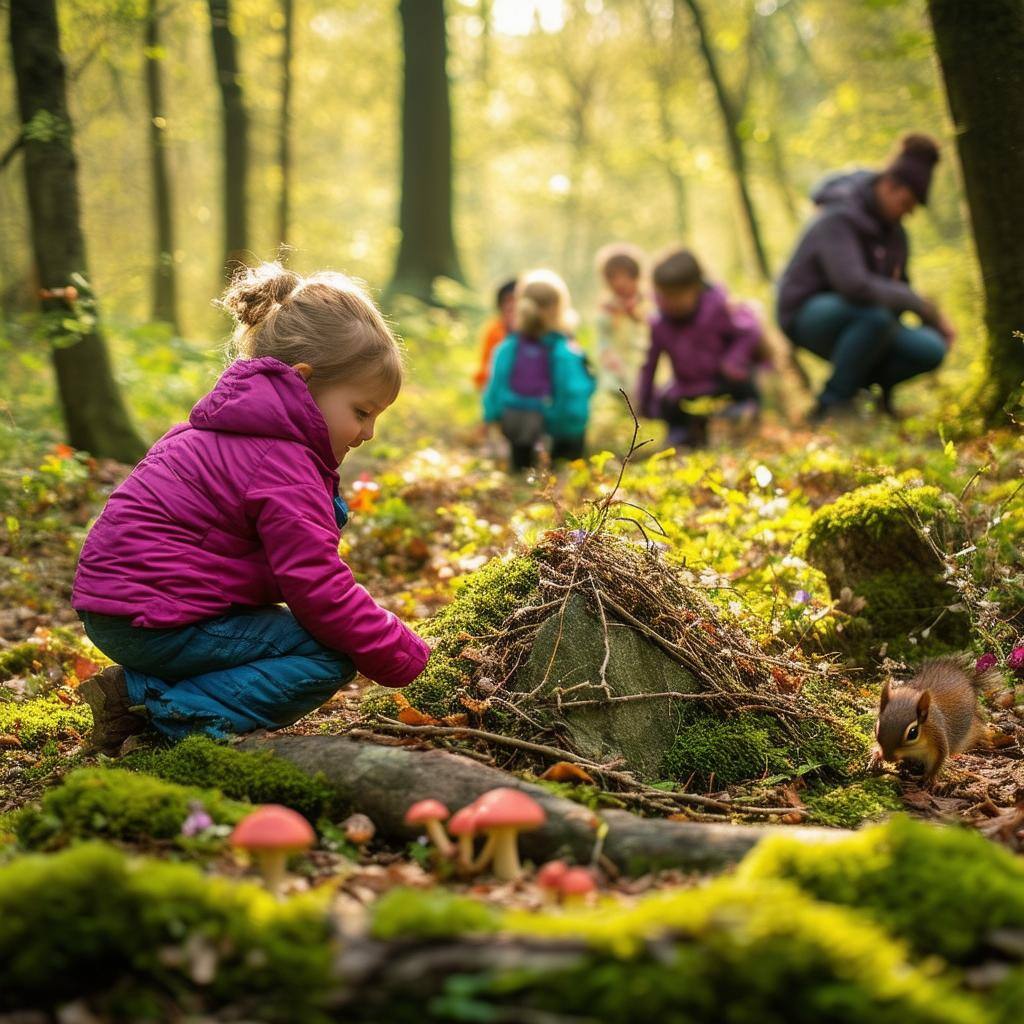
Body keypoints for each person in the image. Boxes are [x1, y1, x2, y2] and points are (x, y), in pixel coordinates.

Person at [72, 262, 431, 754]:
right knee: (327, 655)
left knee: (285, 631)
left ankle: (129, 692)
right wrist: (400, 653)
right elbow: (317, 587)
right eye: (361, 412)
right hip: (156, 615)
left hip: (121, 610)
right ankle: (178, 713)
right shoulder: (280, 460)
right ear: (303, 383)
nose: (367, 434)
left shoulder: (225, 432)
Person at [776, 132, 952, 421]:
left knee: (930, 349)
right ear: (889, 185)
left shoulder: (896, 235)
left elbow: (897, 293)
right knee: (875, 318)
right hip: (806, 314)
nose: (907, 214)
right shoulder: (837, 217)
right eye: (905, 203)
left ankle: (874, 399)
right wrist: (918, 303)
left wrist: (927, 316)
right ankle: (830, 407)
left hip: (867, 320)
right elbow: (854, 285)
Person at [637, 247, 763, 448]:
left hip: (720, 382)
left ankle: (740, 413)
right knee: (667, 401)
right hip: (687, 389)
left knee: (742, 380)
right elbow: (649, 364)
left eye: (677, 295)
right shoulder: (659, 323)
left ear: (696, 288)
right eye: (665, 295)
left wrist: (733, 360)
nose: (671, 302)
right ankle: (682, 436)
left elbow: (748, 333)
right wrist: (644, 403)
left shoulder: (717, 308)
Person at [482, 269, 596, 471]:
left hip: (514, 421)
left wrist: (492, 416)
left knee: (521, 468)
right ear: (560, 308)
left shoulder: (509, 347)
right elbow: (574, 392)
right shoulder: (564, 350)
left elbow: (495, 385)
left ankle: (521, 470)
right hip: (553, 425)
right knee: (561, 469)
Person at [594, 243, 648, 395]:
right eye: (613, 276)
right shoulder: (606, 307)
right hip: (612, 373)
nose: (619, 282)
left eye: (625, 275)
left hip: (640, 371)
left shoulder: (648, 304)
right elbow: (603, 340)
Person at [473, 279, 517, 391]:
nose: (510, 306)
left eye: (515, 300)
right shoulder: (494, 331)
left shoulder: (540, 330)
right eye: (507, 301)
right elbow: (484, 372)